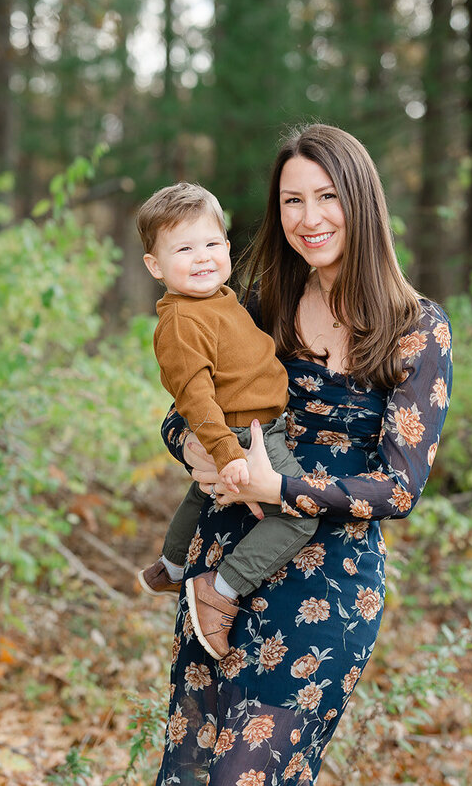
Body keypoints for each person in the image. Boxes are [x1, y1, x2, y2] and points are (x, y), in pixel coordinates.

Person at [154, 124, 453, 785]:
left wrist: (282, 489)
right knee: (193, 773)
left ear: (362, 201)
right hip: (225, 563)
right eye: (292, 200)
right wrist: (195, 449)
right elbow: (184, 406)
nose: (309, 217)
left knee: (245, 774)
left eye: (326, 197)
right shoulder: (261, 304)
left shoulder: (417, 328)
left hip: (330, 586)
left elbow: (399, 488)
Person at [135, 182, 315, 661]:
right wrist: (227, 453)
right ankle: (223, 588)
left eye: (212, 244)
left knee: (204, 492)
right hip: (245, 434)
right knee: (300, 516)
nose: (202, 258)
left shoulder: (219, 299)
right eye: (184, 248)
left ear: (228, 248)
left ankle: (172, 566)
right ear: (155, 266)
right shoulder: (181, 321)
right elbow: (194, 398)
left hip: (251, 426)